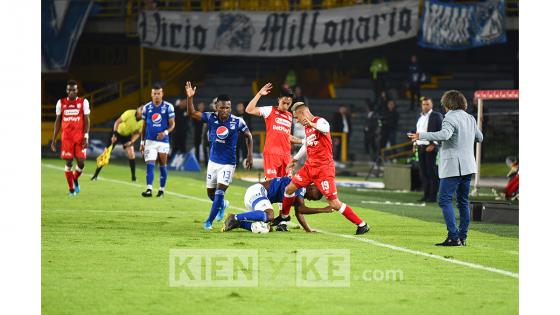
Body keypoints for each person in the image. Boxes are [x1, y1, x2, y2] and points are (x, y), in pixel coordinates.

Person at [274, 102, 370, 235]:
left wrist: (312, 124)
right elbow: (307, 144)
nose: (296, 121)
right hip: (309, 167)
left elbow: (325, 128)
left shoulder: (319, 121)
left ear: (303, 113)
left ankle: (362, 224)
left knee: (334, 203)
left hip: (324, 170)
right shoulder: (307, 128)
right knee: (289, 189)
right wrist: (295, 159)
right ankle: (284, 217)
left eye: (296, 117)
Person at [408, 90, 483, 246]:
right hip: (468, 165)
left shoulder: (449, 117)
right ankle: (462, 237)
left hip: (453, 166)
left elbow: (445, 135)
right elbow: (480, 137)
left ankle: (453, 237)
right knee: (463, 201)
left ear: (448, 104)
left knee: (444, 199)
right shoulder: (470, 117)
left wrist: (421, 135)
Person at [185, 81, 254, 230]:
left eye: (227, 107)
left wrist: (250, 155)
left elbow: (248, 135)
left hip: (228, 163)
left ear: (230, 107)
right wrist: (190, 98)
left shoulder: (237, 121)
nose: (225, 110)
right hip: (213, 162)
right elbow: (192, 113)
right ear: (216, 107)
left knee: (219, 191)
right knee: (210, 193)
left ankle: (208, 221)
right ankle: (223, 205)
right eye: (222, 107)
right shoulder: (211, 117)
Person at [222, 178, 333, 233]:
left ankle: (238, 224)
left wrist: (308, 230)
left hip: (256, 200)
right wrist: (323, 209)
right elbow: (301, 209)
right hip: (257, 191)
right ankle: (234, 217)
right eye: (311, 197)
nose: (309, 199)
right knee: (270, 215)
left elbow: (299, 212)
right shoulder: (300, 186)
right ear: (312, 187)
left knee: (266, 228)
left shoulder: (300, 191)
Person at [245, 83, 302, 179]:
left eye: (289, 101)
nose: (287, 102)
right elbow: (249, 110)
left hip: (286, 155)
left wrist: (303, 141)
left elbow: (287, 136)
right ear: (279, 99)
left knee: (287, 186)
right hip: (272, 154)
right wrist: (259, 94)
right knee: (271, 184)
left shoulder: (290, 116)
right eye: (284, 100)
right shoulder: (269, 110)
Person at [50, 80, 90, 196]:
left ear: (77, 90)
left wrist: (86, 136)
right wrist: (53, 140)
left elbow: (87, 120)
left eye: (74, 90)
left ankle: (75, 178)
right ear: (66, 91)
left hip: (80, 137)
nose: (71, 92)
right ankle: (71, 189)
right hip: (67, 138)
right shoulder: (60, 103)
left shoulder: (83, 102)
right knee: (69, 162)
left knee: (81, 163)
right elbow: (57, 121)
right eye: (69, 90)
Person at [139, 84, 175, 198]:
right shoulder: (147, 107)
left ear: (162, 94)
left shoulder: (168, 107)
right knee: (150, 164)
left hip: (163, 141)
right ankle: (149, 189)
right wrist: (141, 142)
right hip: (149, 141)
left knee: (162, 164)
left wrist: (164, 133)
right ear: (151, 94)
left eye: (158, 93)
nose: (156, 96)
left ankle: (161, 190)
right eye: (154, 93)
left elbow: (172, 124)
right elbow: (143, 126)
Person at [91, 105, 144, 182]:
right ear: (137, 109)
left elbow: (138, 133)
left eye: (144, 109)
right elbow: (117, 122)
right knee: (106, 153)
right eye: (141, 109)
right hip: (117, 133)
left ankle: (133, 178)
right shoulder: (129, 113)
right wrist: (114, 135)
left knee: (131, 154)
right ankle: (95, 176)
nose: (143, 111)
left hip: (127, 136)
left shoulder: (144, 121)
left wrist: (131, 141)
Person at [414, 97, 443, 202]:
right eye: (423, 104)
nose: (425, 106)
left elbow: (441, 132)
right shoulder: (420, 117)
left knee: (432, 172)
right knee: (423, 173)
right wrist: (415, 143)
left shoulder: (436, 116)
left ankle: (432, 196)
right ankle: (426, 195)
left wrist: (434, 145)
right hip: (420, 147)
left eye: (427, 104)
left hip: (430, 147)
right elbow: (418, 131)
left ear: (431, 105)